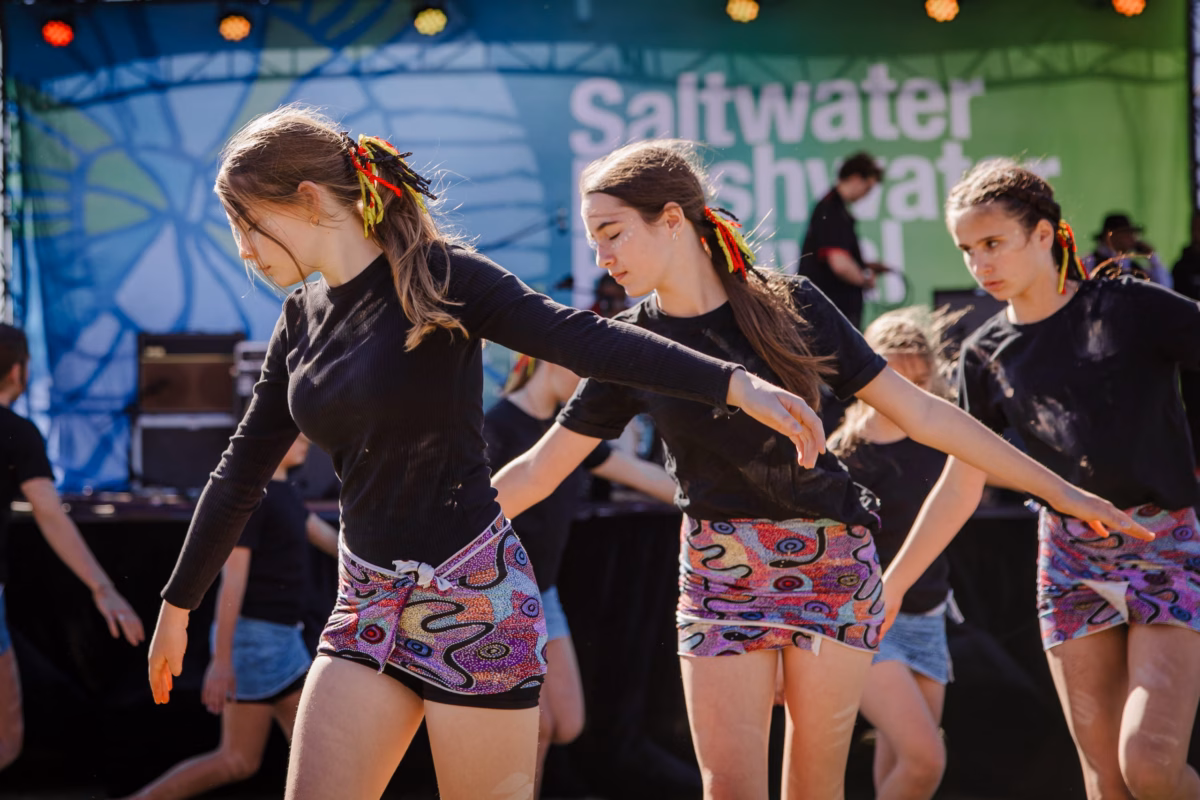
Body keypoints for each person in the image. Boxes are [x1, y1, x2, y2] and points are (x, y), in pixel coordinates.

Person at [144, 105, 832, 800]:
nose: (243, 249)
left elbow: (583, 339)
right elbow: (240, 470)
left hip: (475, 605)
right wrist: (177, 604)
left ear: (309, 199)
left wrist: (734, 383)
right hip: (366, 607)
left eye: (247, 223)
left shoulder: (443, 277)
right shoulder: (299, 320)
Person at [489, 139, 1146, 800]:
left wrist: (1061, 491)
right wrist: (440, 542)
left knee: (813, 789)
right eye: (593, 240)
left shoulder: (790, 304)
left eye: (611, 233)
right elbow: (538, 470)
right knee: (730, 790)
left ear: (671, 219)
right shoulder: (627, 345)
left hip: (831, 563)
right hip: (720, 572)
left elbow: (923, 413)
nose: (601, 256)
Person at [883, 159, 1199, 800]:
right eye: (967, 250)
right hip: (1068, 557)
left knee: (1151, 767)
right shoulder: (985, 354)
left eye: (992, 242)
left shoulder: (1130, 308)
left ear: (1044, 234)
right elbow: (961, 482)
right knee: (1106, 781)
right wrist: (888, 589)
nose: (980, 264)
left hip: (1162, 543)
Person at [484, 354, 676, 797]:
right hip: (499, 595)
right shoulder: (497, 428)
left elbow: (642, 475)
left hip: (544, 593)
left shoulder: (568, 433)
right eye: (584, 372)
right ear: (546, 360)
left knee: (566, 723)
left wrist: (722, 504)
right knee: (536, 728)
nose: (590, 384)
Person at [123, 434, 336, 799]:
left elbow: (333, 543)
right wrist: (221, 661)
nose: (305, 438)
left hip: (282, 641)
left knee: (250, 759)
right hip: (258, 643)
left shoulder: (286, 495)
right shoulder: (255, 498)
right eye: (293, 431)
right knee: (289, 757)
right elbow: (231, 582)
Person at [0, 323, 144, 770]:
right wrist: (104, 588)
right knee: (6, 737)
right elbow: (49, 513)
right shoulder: (17, 431)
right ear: (18, 372)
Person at [829, 309, 958, 800]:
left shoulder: (942, 439)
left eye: (919, 382)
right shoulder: (844, 453)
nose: (908, 395)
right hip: (864, 620)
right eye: (896, 382)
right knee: (926, 761)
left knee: (906, 765)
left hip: (928, 615)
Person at [797, 151, 887, 330]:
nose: (867, 195)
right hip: (829, 316)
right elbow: (840, 264)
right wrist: (864, 279)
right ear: (855, 178)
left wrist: (864, 265)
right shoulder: (832, 210)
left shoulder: (834, 209)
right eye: (868, 188)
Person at [1083, 212, 1171, 288]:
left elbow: (1164, 286)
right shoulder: (1090, 262)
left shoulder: (1133, 265)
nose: (1132, 238)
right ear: (1109, 236)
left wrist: (1153, 258)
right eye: (1126, 233)